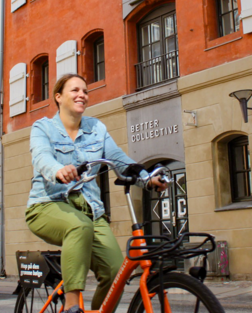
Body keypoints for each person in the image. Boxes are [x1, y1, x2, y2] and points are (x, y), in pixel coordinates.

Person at [26, 74, 168, 313]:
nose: (82, 95)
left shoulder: (97, 129)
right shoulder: (43, 127)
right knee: (78, 226)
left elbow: (119, 159)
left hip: (90, 210)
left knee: (116, 272)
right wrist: (58, 170)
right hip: (47, 205)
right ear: (58, 97)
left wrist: (147, 178)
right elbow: (41, 157)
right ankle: (72, 306)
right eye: (75, 90)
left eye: (85, 91)